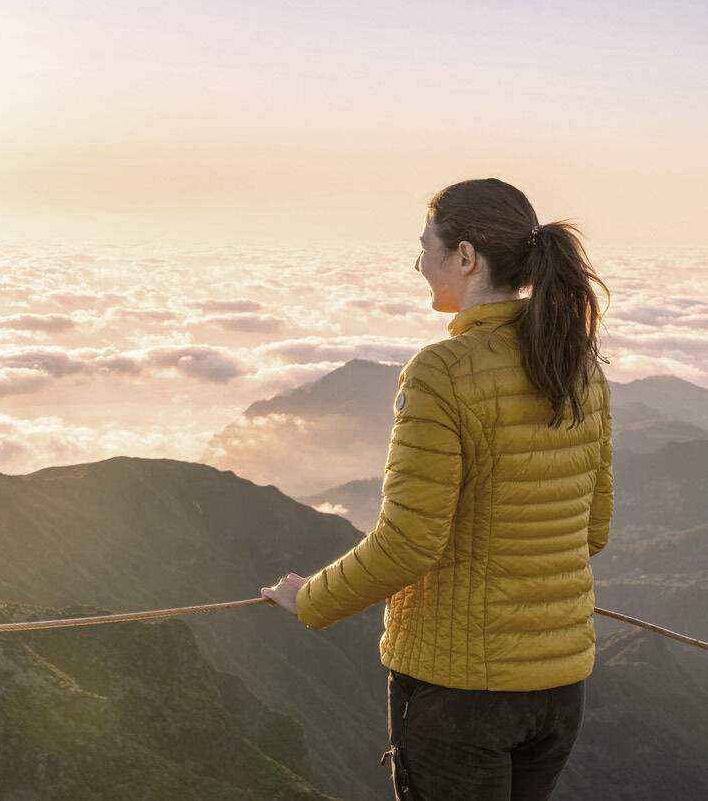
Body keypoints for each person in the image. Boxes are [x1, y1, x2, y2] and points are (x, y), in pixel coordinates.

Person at [261, 178, 613, 801]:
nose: (417, 262)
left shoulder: (441, 373)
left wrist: (309, 600)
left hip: (462, 699)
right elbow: (594, 530)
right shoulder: (577, 366)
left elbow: (408, 545)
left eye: (425, 246)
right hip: (559, 695)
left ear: (466, 257)